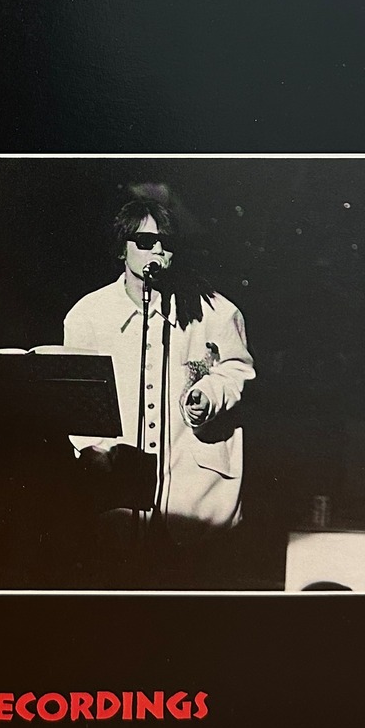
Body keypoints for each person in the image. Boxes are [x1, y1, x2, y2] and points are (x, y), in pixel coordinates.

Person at [62, 196, 254, 586]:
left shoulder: (216, 311)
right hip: (120, 493)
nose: (158, 251)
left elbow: (238, 369)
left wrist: (209, 394)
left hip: (197, 492)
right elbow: (75, 398)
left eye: (167, 242)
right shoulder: (88, 314)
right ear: (122, 248)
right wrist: (96, 451)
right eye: (146, 241)